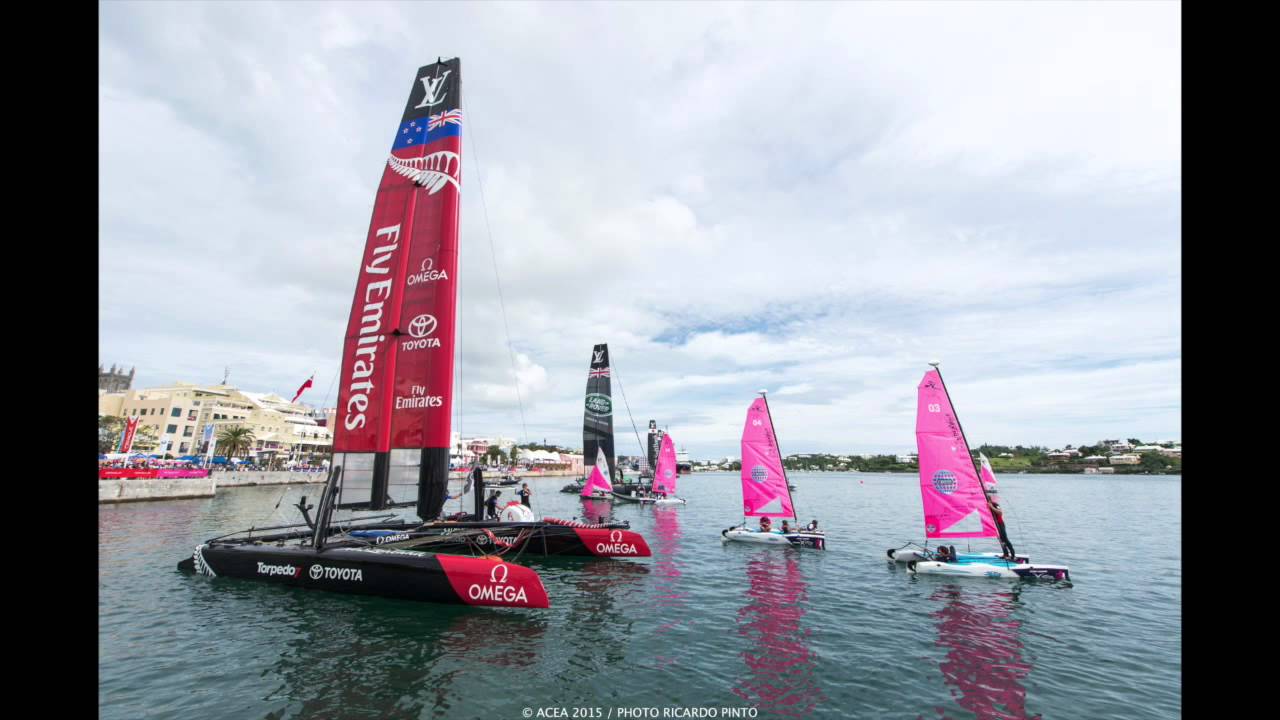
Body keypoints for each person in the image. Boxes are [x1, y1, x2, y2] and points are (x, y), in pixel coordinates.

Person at [987, 494, 1016, 559]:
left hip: (1000, 524)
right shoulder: (986, 506)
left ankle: (1013, 555)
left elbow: (1000, 513)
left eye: (988, 501)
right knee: (1001, 540)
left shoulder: (995, 505)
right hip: (995, 526)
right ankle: (1006, 554)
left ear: (990, 500)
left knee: (1005, 539)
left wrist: (991, 507)